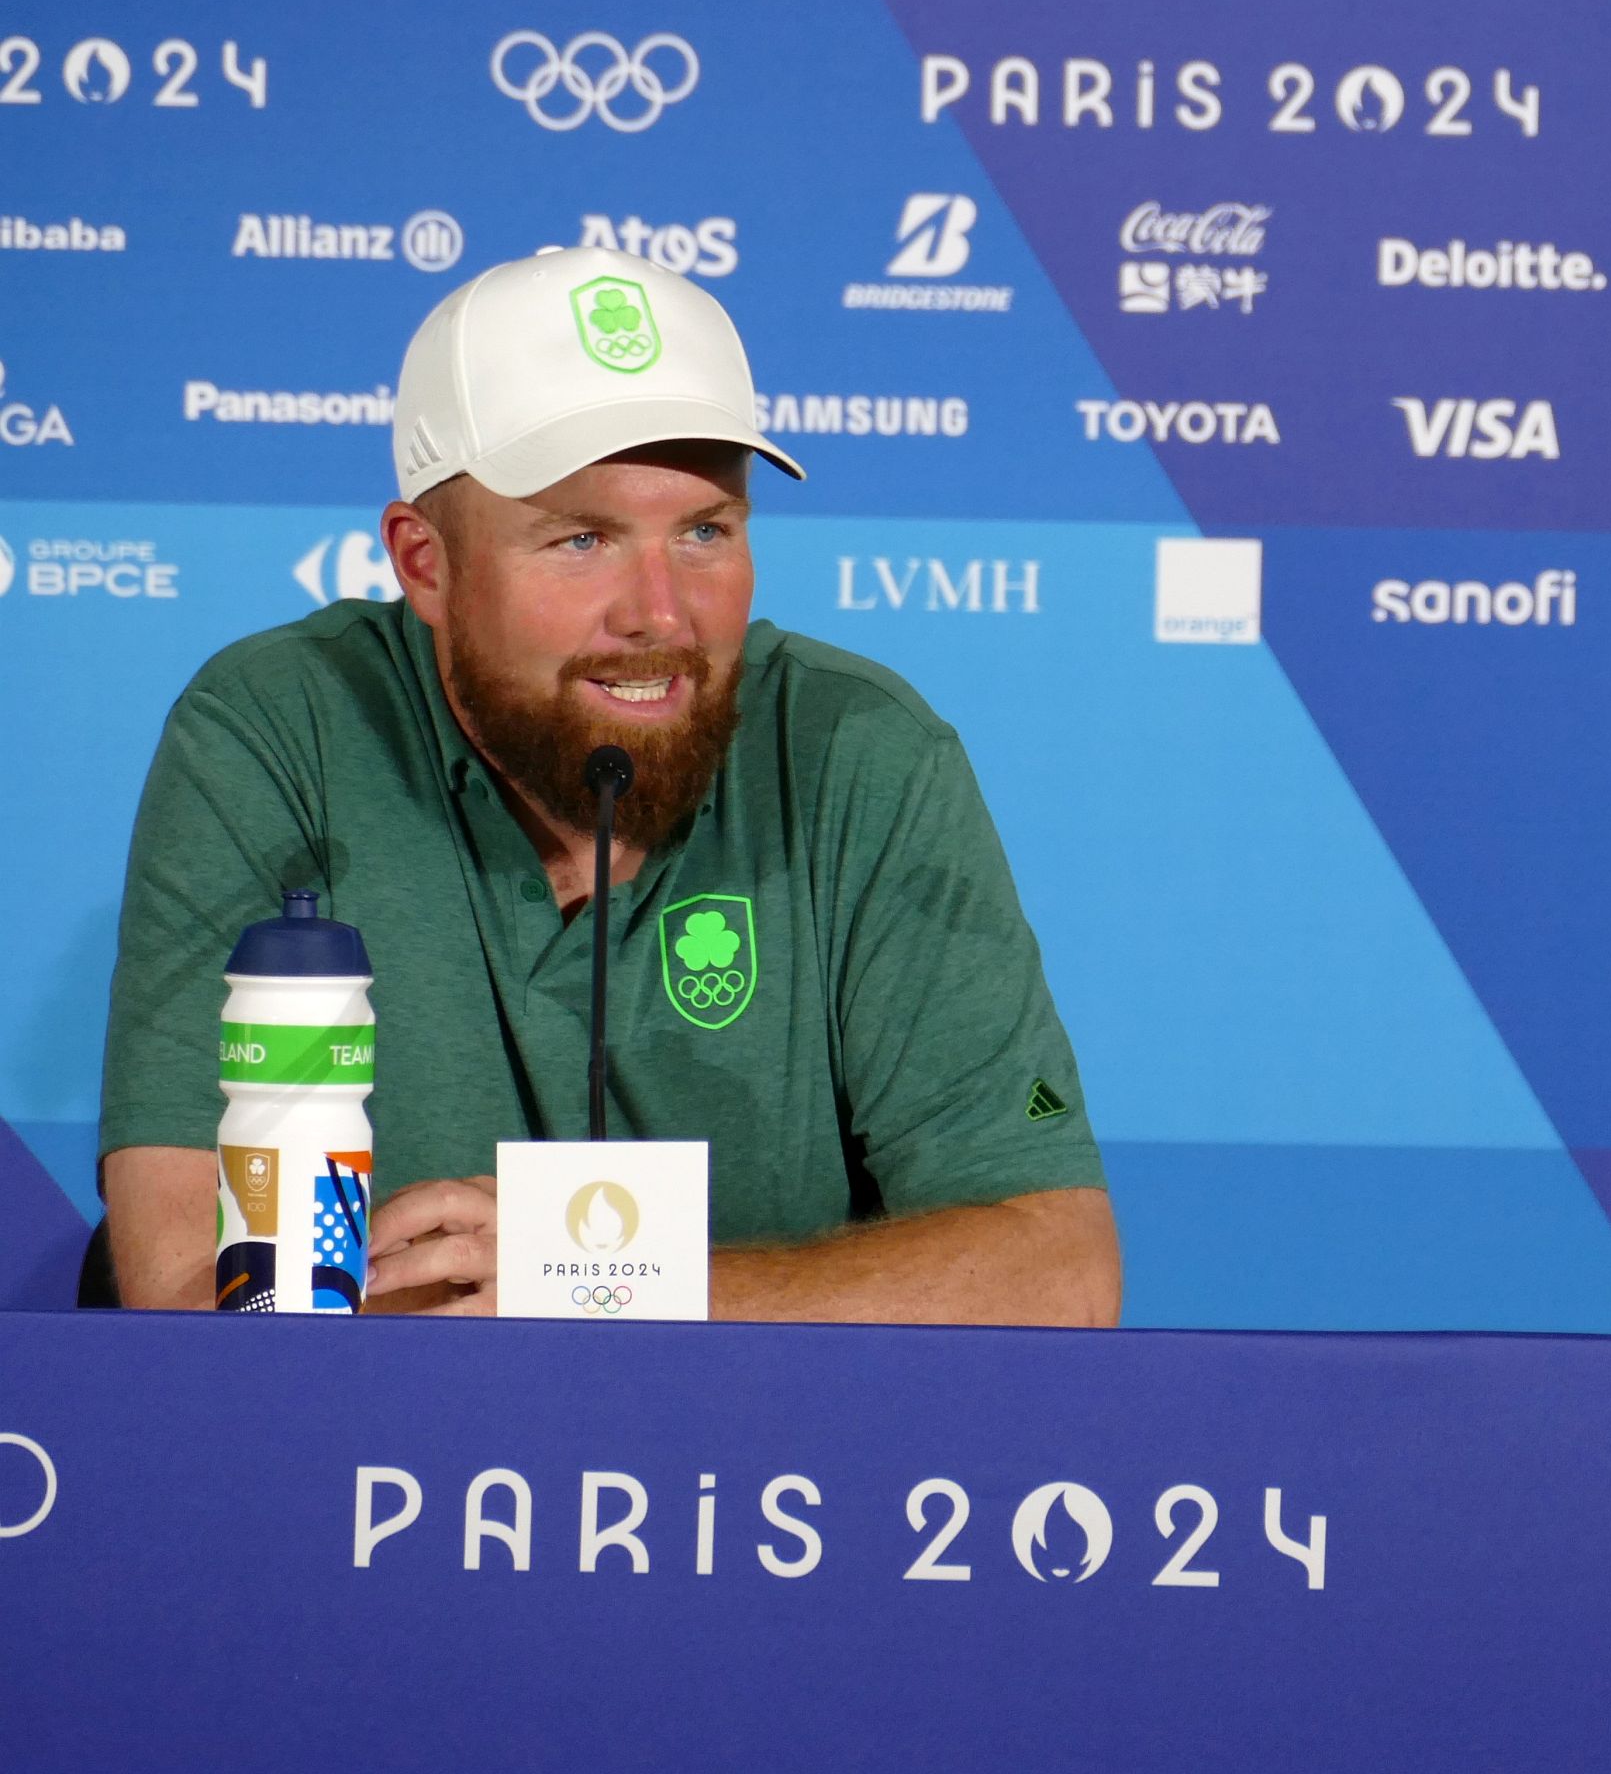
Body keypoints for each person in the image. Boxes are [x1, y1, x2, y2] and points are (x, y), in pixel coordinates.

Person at [98, 247, 1119, 1323]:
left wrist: (606, 1278)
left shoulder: (860, 748)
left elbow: (1060, 1276)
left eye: (704, 533)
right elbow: (184, 1291)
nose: (661, 614)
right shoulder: (279, 729)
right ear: (424, 564)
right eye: (581, 539)